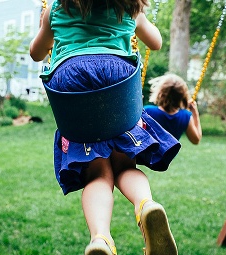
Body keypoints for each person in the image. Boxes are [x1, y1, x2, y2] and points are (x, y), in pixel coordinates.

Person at [30, 1, 179, 254]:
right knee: (123, 165)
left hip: (71, 81)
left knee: (97, 173)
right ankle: (145, 205)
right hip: (117, 79)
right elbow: (156, 43)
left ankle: (101, 238)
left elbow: (35, 53)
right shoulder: (129, 7)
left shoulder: (55, 8)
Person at [144, 74, 202, 144]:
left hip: (146, 154)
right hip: (168, 155)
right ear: (182, 96)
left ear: (160, 93)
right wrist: (195, 112)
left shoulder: (148, 111)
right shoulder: (185, 116)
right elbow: (196, 140)